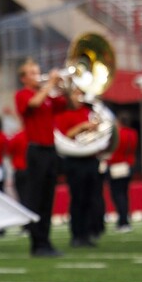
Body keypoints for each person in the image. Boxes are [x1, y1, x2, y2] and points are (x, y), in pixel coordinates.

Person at [15, 58, 67, 257]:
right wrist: (51, 83)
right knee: (35, 198)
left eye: (38, 72)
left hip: (50, 150)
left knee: (48, 198)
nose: (38, 76)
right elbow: (33, 104)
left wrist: (64, 87)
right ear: (24, 78)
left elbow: (66, 104)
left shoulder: (46, 95)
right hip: (36, 151)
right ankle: (37, 243)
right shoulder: (23, 95)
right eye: (33, 73)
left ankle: (46, 241)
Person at [55, 89, 100, 248]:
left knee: (91, 199)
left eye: (80, 94)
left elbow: (101, 131)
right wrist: (82, 127)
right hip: (74, 161)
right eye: (75, 93)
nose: (78, 97)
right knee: (77, 199)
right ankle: (76, 235)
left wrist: (96, 127)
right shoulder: (63, 114)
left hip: (91, 159)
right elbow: (64, 136)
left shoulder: (89, 111)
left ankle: (87, 234)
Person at [107, 112, 137, 232]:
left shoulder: (118, 134)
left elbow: (113, 149)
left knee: (117, 195)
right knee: (124, 194)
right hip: (128, 165)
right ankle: (124, 220)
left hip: (116, 166)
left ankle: (123, 221)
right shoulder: (133, 133)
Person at [7, 127, 28, 205]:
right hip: (32, 170)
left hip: (20, 170)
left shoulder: (17, 136)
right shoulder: (34, 137)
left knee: (21, 196)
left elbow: (9, 151)